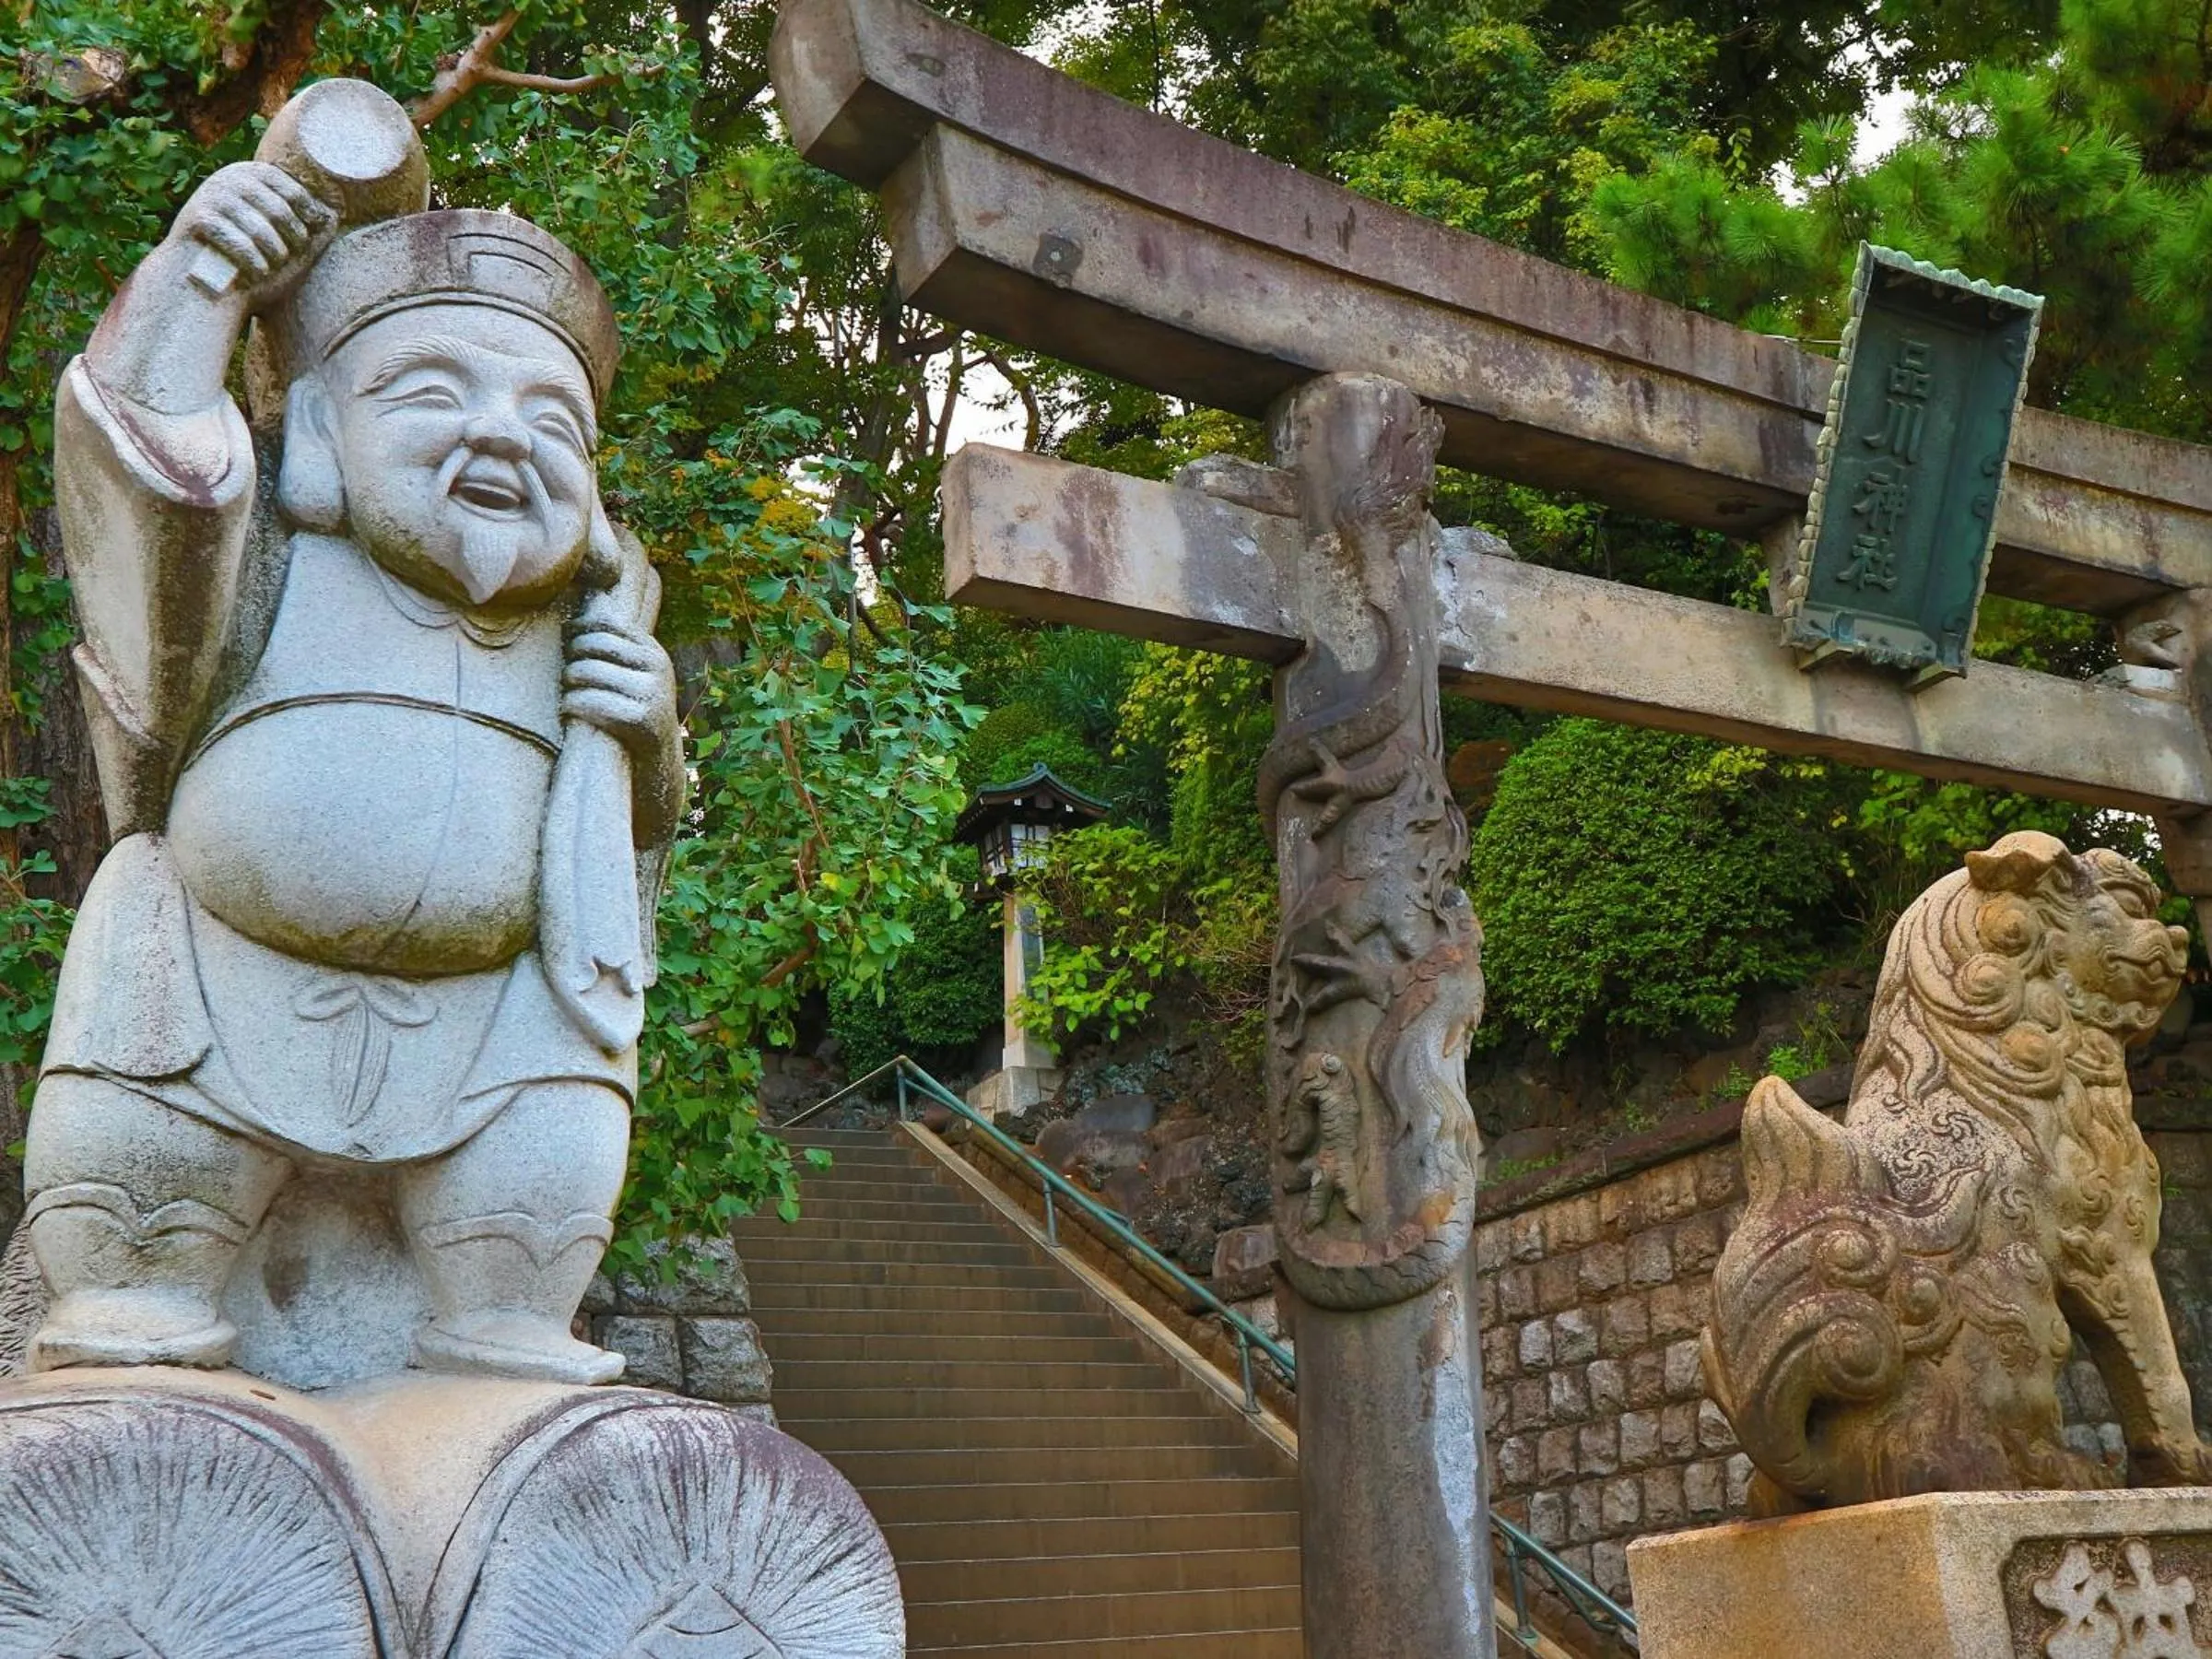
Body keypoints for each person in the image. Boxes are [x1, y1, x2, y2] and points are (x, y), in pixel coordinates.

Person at [26, 141, 683, 1385]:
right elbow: (159, 477)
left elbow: (623, 855)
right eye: (433, 392)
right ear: (322, 430)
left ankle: (503, 1325)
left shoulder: (584, 630)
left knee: (541, 1183)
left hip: (496, 1021)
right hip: (217, 975)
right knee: (141, 1192)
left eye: (555, 421)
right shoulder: (270, 558)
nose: (503, 434)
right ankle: (139, 1309)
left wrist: (647, 735)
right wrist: (205, 276)